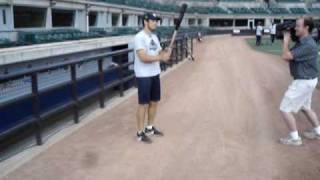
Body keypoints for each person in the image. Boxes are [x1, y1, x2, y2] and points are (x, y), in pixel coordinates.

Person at [279, 17, 320, 146]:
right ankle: (318, 132)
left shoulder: (307, 44)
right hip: (308, 80)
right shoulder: (304, 40)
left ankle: (294, 138)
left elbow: (286, 56)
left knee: (285, 109)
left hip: (303, 82)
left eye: (298, 26)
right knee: (305, 107)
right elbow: (292, 53)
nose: (295, 28)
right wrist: (288, 35)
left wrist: (286, 41)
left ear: (306, 28)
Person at [134, 13, 172, 143]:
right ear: (145, 21)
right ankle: (140, 132)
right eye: (153, 20)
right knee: (143, 104)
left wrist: (166, 52)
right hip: (143, 75)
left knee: (154, 102)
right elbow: (143, 57)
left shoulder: (154, 37)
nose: (156, 23)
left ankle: (149, 128)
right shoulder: (139, 37)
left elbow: (159, 53)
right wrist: (160, 57)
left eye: (156, 21)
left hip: (155, 73)